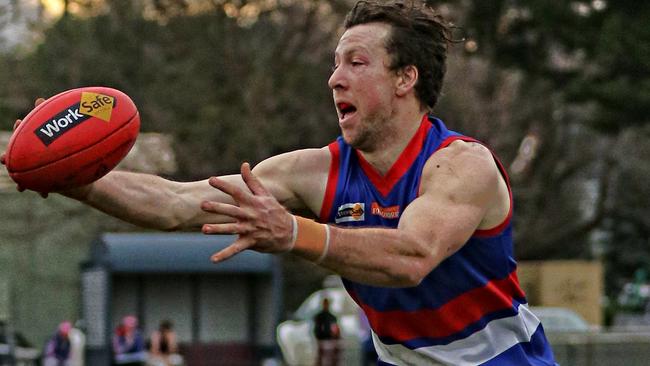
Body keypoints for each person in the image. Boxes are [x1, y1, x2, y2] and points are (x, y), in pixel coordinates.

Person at [1, 1, 557, 364]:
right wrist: (73, 178)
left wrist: (293, 233)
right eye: (335, 63)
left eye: (357, 62)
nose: (335, 77)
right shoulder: (315, 170)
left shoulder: (461, 165)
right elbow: (174, 203)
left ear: (406, 79)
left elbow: (410, 256)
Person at [312, 298, 341, 366]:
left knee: (334, 356)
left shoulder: (332, 317)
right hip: (321, 340)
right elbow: (317, 330)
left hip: (331, 340)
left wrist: (334, 335)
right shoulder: (319, 317)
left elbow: (335, 330)